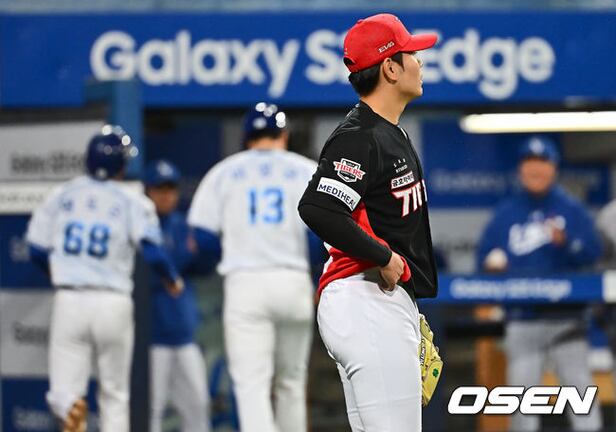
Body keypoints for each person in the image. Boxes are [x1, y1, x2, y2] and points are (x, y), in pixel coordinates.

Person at [298, 13, 439, 431]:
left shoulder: (388, 132)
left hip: (376, 301)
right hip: (365, 297)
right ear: (390, 69)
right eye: (410, 54)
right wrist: (384, 256)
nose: (419, 62)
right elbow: (319, 208)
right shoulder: (359, 136)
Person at [26, 125, 183, 432]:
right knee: (115, 395)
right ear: (121, 166)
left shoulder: (61, 195)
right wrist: (171, 278)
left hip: (71, 297)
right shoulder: (132, 200)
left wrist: (59, 272)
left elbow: (36, 250)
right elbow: (152, 252)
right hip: (113, 301)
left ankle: (69, 407)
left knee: (64, 392)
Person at [187, 103, 319, 432]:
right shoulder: (307, 170)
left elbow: (203, 240)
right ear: (284, 135)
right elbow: (325, 236)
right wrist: (317, 278)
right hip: (292, 280)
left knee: (251, 384)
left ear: (247, 137)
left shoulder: (223, 173)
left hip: (245, 281)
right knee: (291, 381)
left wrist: (233, 248)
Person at [477, 135, 603, 432]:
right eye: (530, 162)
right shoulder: (506, 213)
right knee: (522, 402)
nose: (536, 169)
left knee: (581, 396)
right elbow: (482, 261)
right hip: (523, 318)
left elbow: (594, 254)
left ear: (554, 168)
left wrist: (567, 243)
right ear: (521, 169)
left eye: (542, 162)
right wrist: (492, 266)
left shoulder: (572, 210)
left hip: (567, 319)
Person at [145, 160, 212, 432]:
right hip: (151, 338)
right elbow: (155, 268)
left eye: (170, 189)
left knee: (198, 406)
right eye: (159, 189)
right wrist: (180, 257)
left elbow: (201, 267)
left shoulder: (182, 224)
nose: (166, 195)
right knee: (150, 410)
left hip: (184, 336)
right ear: (148, 191)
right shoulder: (142, 225)